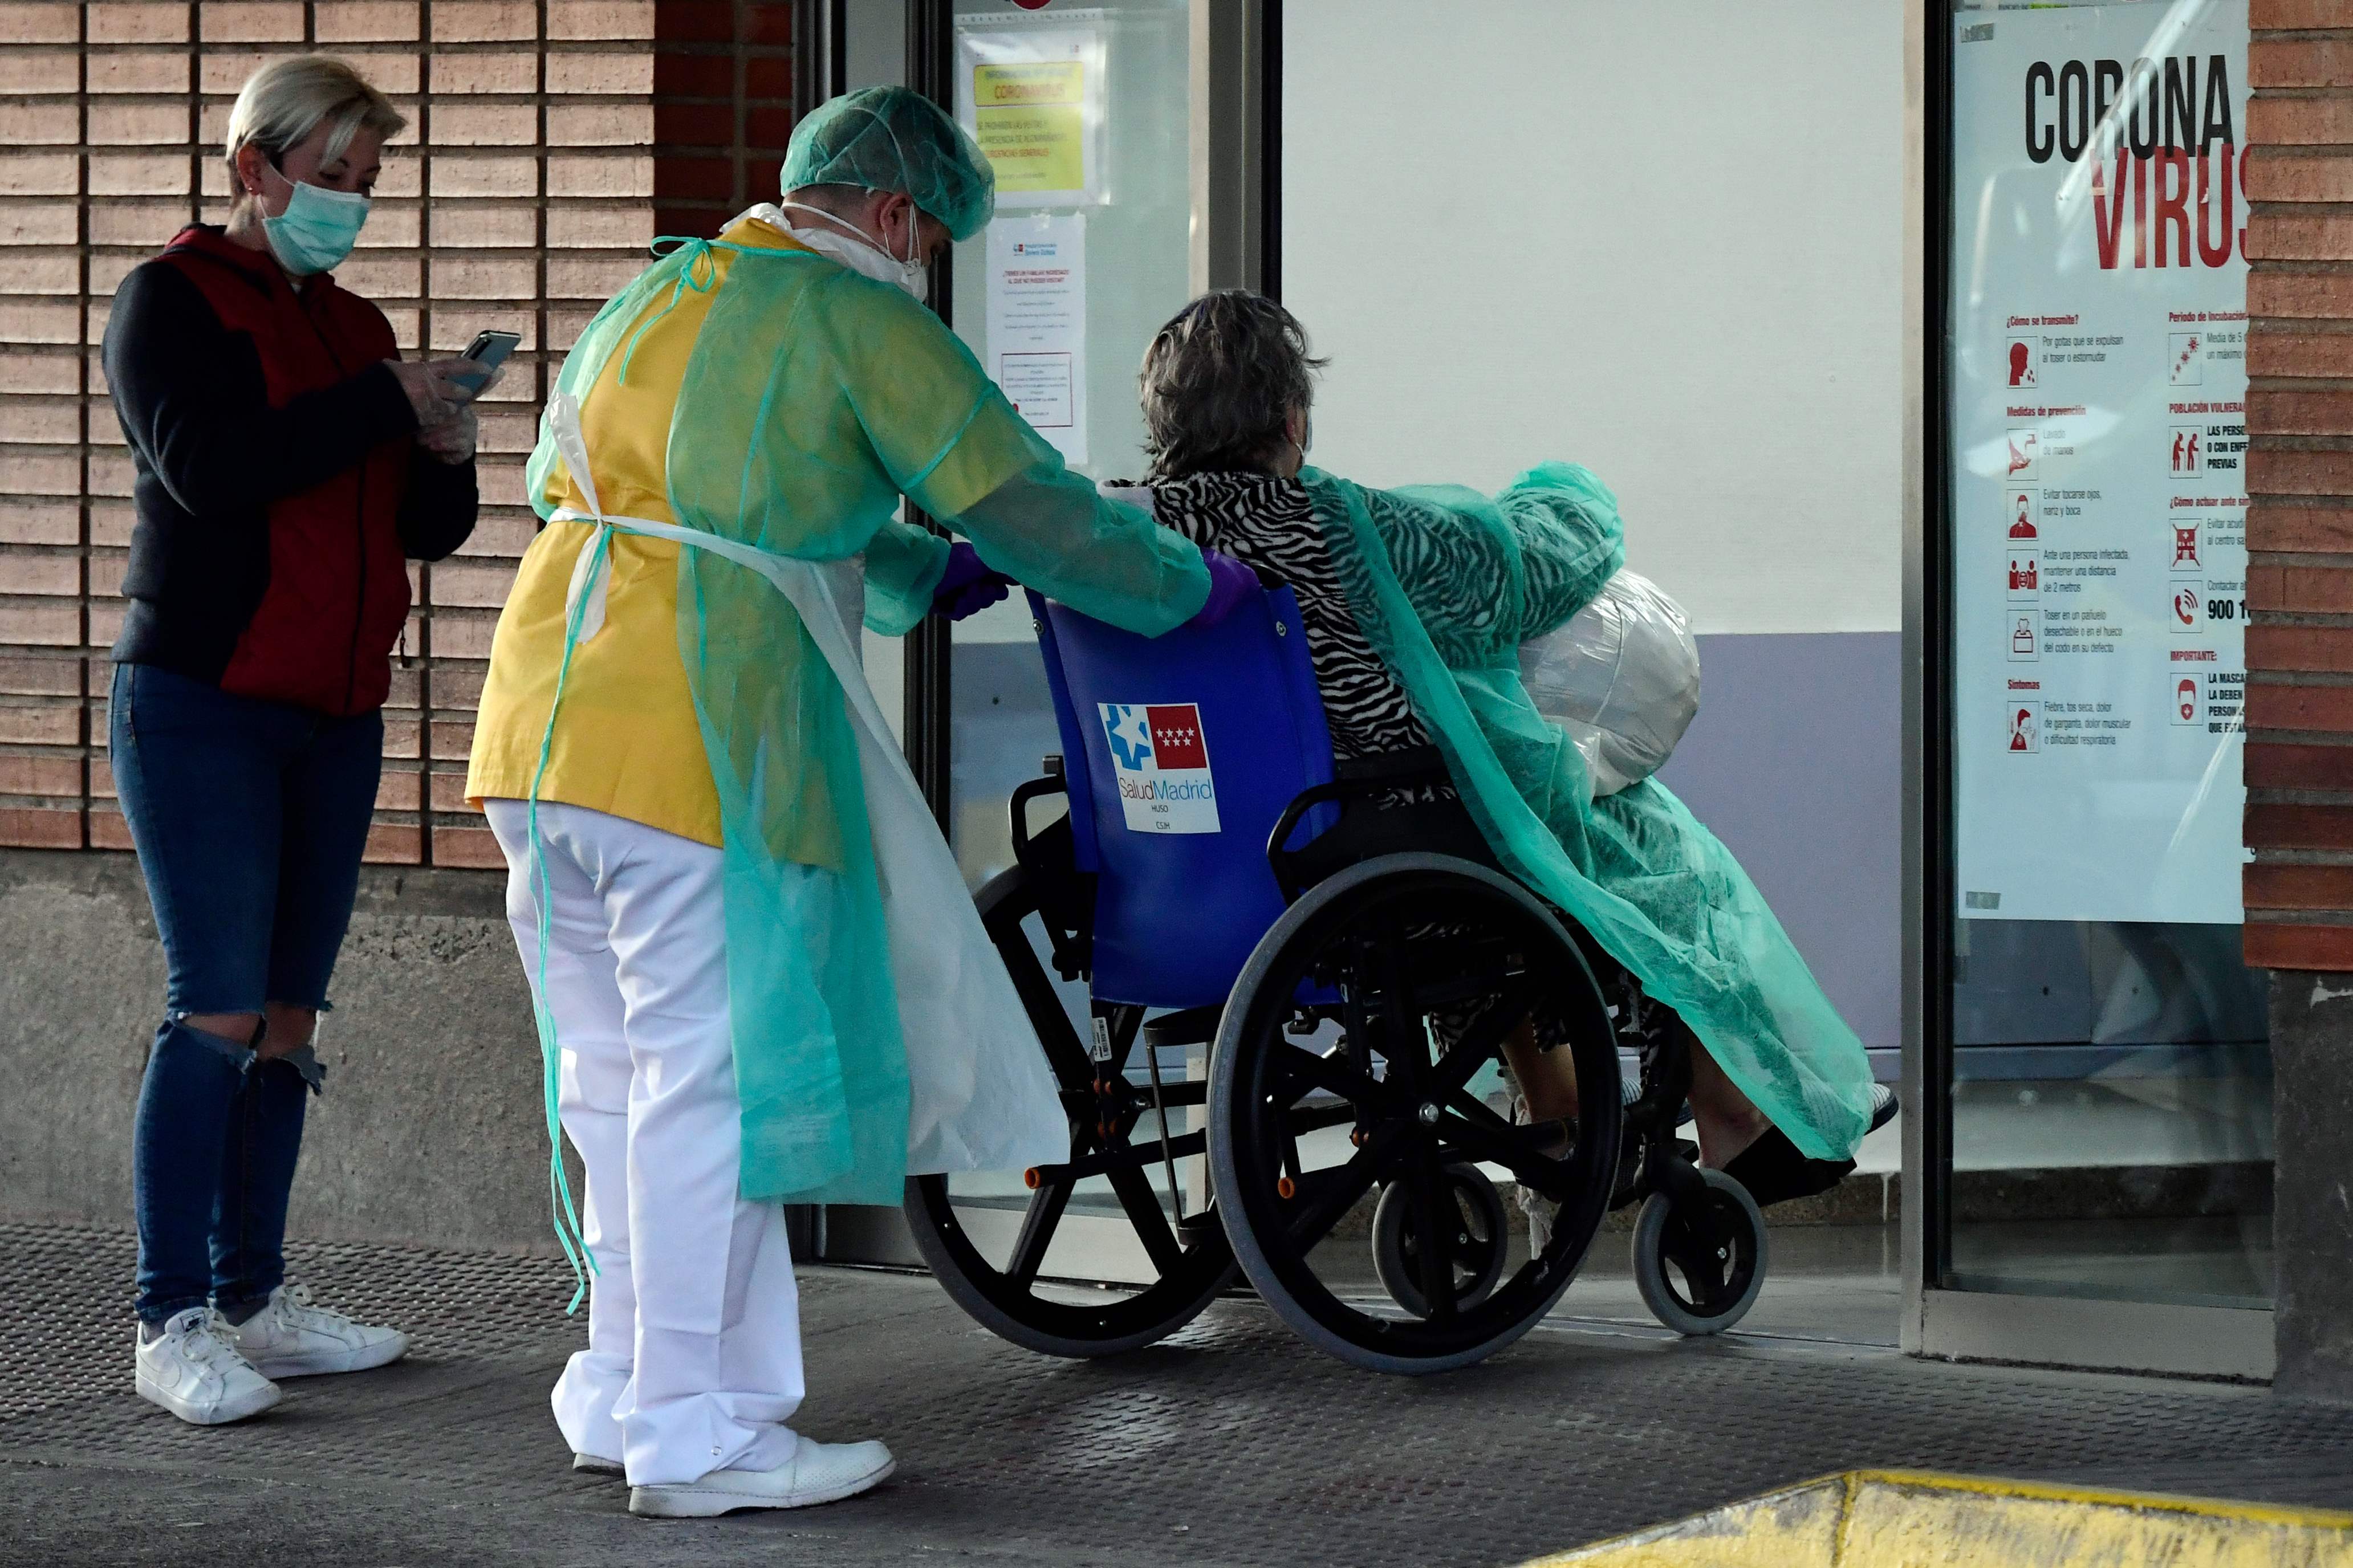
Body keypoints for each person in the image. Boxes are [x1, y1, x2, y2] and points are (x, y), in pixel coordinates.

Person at [463, 87, 1249, 1520]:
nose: (928, 265)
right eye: (934, 240)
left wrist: (899, 570)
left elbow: (682, 489)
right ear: (895, 216)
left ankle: (629, 1383)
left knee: (616, 1086)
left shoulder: (659, 293)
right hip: (696, 732)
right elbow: (1026, 502)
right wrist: (1191, 589)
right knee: (710, 1084)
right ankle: (707, 1434)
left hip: (540, 722)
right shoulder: (860, 315)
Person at [1113, 291, 1894, 1240]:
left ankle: (1557, 1107)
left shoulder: (1121, 541)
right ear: (1291, 419)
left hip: (1190, 867)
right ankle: (1733, 1108)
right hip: (1358, 850)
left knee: (1474, 832)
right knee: (1631, 835)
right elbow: (1520, 575)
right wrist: (1573, 495)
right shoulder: (1337, 526)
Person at [102, 55, 492, 1427]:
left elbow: (418, 532)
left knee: (285, 1019)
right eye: (332, 179)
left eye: (368, 184)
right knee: (212, 1006)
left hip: (334, 717)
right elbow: (208, 472)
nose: (352, 205)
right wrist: (383, 401)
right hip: (200, 702)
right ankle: (170, 1317)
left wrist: (442, 441)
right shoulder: (167, 300)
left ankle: (258, 1300)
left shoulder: (354, 323)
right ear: (252, 171)